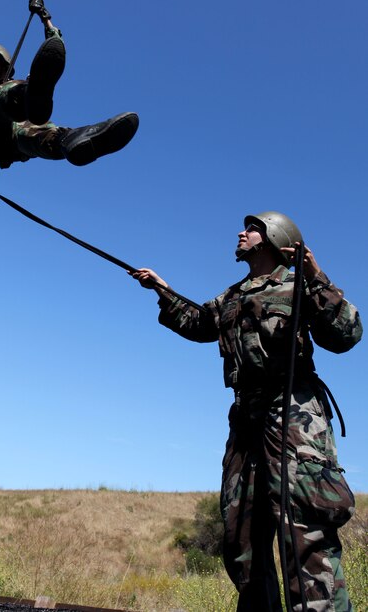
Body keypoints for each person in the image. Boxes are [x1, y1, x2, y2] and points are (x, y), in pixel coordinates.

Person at [132, 211, 362, 612]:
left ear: (274, 237)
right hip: (245, 418)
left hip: (293, 414)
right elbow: (199, 322)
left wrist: (316, 278)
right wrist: (163, 290)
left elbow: (346, 334)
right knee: (241, 533)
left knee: (304, 526)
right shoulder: (233, 296)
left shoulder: (299, 286)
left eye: (252, 228)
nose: (241, 232)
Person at [0, 0, 139, 173]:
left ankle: (71, 142)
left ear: (4, 66)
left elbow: (54, 48)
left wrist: (45, 18)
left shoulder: (7, 84)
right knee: (2, 94)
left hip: (11, 141)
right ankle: (26, 96)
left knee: (36, 134)